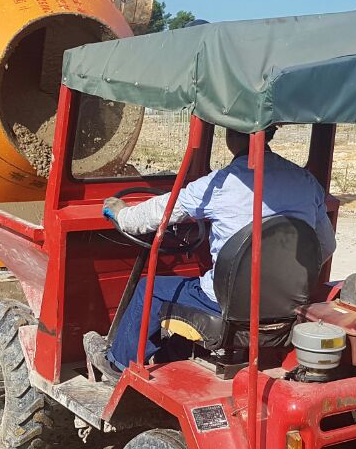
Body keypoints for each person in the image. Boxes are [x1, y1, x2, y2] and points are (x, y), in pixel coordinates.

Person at [85, 126, 336, 378]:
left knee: (149, 289)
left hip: (225, 305)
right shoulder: (306, 182)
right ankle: (171, 354)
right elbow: (325, 245)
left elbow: (154, 214)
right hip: (286, 305)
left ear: (230, 136)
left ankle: (117, 363)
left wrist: (121, 213)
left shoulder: (220, 184)